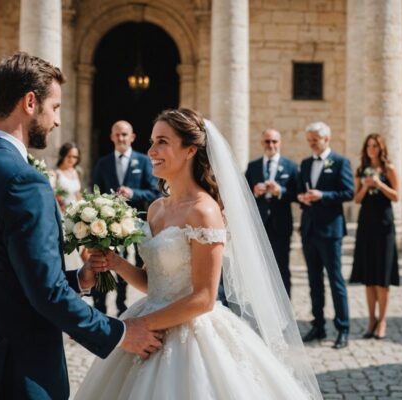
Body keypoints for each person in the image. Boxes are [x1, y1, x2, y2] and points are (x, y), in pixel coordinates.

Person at [0, 52, 162, 399]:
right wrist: (119, 333)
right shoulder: (24, 181)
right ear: (30, 102)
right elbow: (45, 293)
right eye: (54, 107)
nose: (57, 120)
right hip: (20, 373)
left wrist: (78, 279)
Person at [75, 108, 322, 400]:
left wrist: (137, 326)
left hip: (190, 334)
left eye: (162, 142)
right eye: (153, 141)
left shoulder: (204, 212)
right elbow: (152, 283)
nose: (152, 150)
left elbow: (204, 298)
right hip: (149, 317)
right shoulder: (156, 208)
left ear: (190, 149)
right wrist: (117, 263)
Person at [92, 120, 160, 315]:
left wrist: (133, 193)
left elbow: (154, 192)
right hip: (107, 226)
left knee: (132, 267)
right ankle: (100, 308)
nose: (121, 138)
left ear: (132, 137)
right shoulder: (103, 163)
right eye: (117, 134)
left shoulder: (144, 161)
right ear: (112, 137)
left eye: (124, 134)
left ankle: (122, 307)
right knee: (105, 265)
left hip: (137, 224)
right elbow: (95, 192)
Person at [296, 121, 353, 349]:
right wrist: (303, 197)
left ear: (327, 139)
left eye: (315, 140)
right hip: (309, 228)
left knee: (336, 280)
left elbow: (348, 192)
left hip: (330, 230)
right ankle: (318, 325)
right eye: (309, 141)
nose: (312, 144)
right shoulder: (305, 163)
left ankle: (343, 328)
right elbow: (301, 189)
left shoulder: (340, 162)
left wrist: (323, 195)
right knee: (313, 280)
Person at [349, 134, 400, 340]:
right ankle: (371, 320)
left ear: (381, 148)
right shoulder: (360, 170)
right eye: (369, 145)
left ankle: (383, 320)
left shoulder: (389, 169)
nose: (372, 149)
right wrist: (365, 187)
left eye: (375, 146)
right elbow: (357, 199)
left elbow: (396, 196)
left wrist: (380, 185)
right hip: (366, 225)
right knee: (369, 277)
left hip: (384, 226)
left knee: (382, 277)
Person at [245, 128, 298, 297]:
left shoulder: (291, 166)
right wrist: (254, 191)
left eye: (274, 141)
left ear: (280, 143)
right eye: (267, 141)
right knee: (258, 268)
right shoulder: (252, 167)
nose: (271, 145)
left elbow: (296, 194)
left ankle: (285, 308)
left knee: (282, 267)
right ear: (262, 143)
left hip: (280, 224)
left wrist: (280, 191)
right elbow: (243, 196)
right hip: (259, 223)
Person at [53, 142, 82, 213]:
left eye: (75, 157)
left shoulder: (76, 172)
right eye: (69, 156)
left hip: (75, 213)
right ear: (62, 156)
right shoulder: (55, 174)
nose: (71, 159)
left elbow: (78, 194)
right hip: (62, 212)